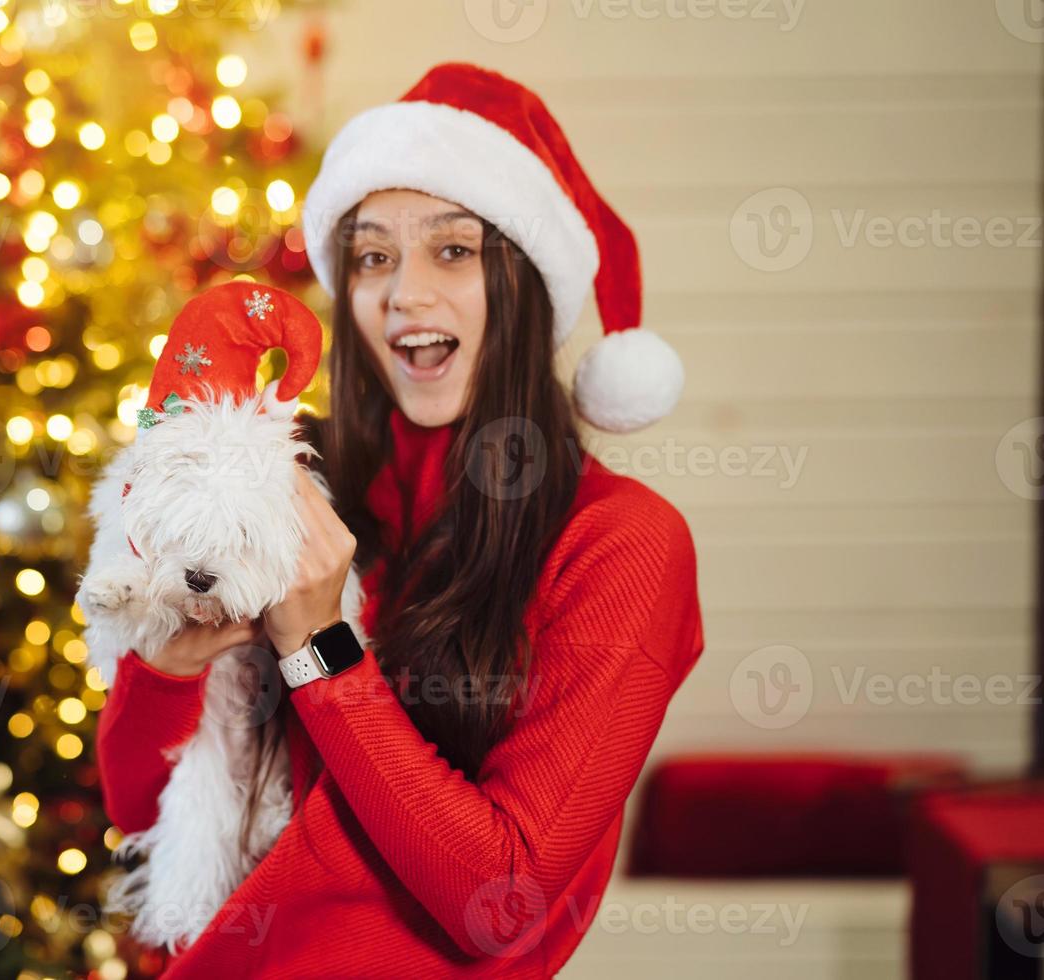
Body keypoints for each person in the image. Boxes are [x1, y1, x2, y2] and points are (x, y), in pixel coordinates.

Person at [95, 62, 703, 977]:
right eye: (373, 256)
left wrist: (320, 646)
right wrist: (164, 670)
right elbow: (135, 801)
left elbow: (502, 898)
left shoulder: (621, 543)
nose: (403, 295)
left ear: (526, 283)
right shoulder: (288, 470)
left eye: (453, 251)